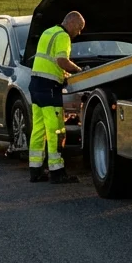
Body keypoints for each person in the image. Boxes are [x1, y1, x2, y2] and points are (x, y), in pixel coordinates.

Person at [29, 11, 84, 184]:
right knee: (56, 130)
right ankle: (57, 172)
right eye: (80, 28)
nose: (79, 33)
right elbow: (61, 60)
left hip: (36, 85)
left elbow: (50, 62)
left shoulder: (48, 32)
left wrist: (63, 73)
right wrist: (78, 70)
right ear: (73, 23)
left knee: (38, 129)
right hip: (49, 89)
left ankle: (35, 171)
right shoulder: (63, 36)